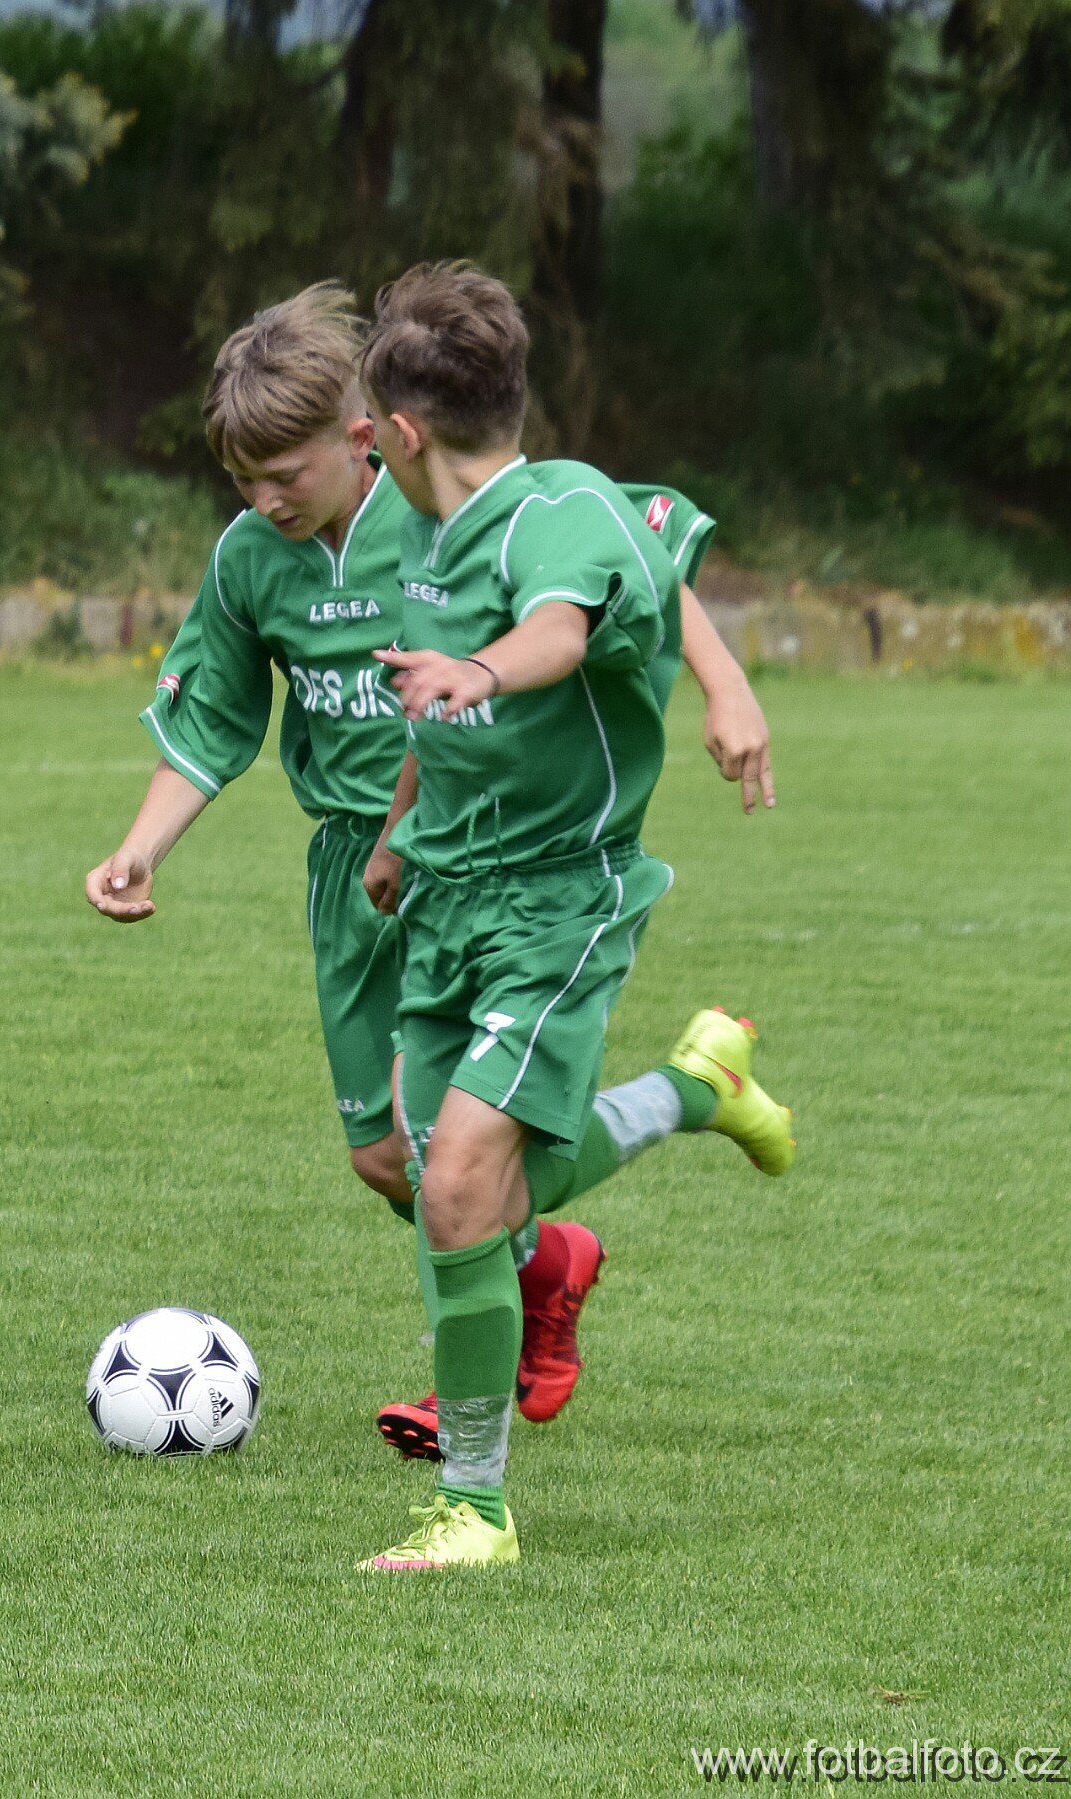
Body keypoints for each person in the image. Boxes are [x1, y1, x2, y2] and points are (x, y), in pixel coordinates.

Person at [83, 283, 782, 1465]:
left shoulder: (443, 509)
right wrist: (142, 845)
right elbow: (208, 724)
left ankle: (474, 1409)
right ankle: (558, 1246)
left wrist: (725, 683)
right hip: (357, 864)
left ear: (363, 436)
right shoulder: (252, 559)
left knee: (456, 1155)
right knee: (388, 1157)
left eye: (285, 474)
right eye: (243, 480)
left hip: (479, 850)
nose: (263, 499)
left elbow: (634, 558)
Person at [352, 262, 795, 1572]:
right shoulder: (410, 525)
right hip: (446, 893)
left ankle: (474, 1510)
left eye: (372, 427)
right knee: (453, 1190)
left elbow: (564, 619)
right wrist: (396, 828)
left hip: (560, 898)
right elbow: (434, 699)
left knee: (459, 1182)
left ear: (406, 430)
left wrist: (717, 683)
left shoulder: (567, 509)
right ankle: (697, 1086)